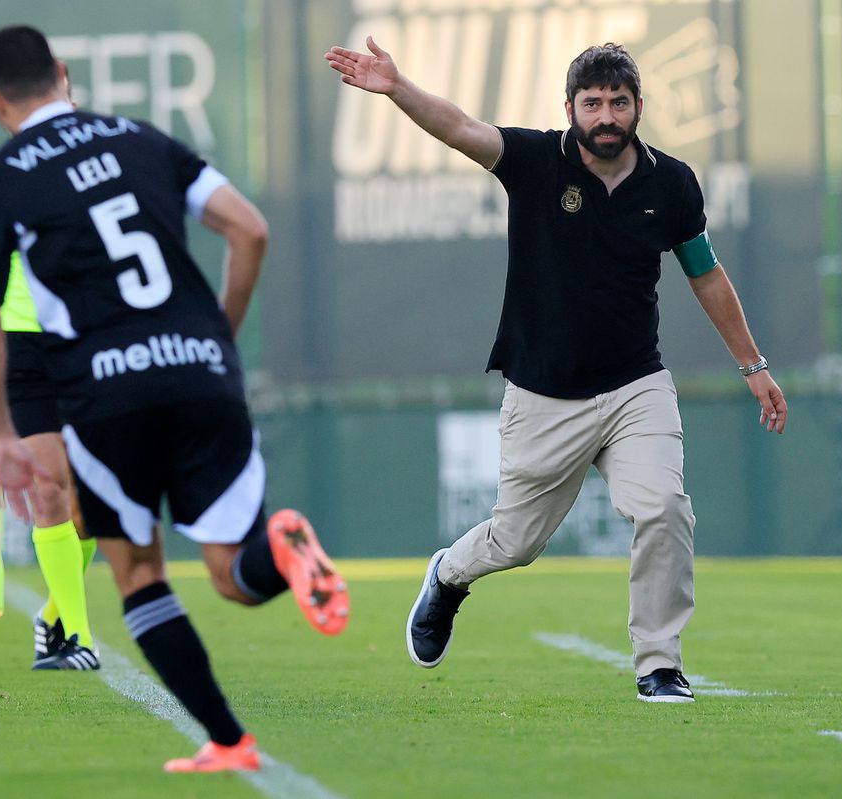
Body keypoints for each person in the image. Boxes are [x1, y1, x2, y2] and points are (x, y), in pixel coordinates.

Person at [326, 39, 787, 702]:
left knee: (662, 507)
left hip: (636, 385)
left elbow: (707, 275)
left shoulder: (673, 183)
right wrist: (397, 88)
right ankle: (448, 577)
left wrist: (754, 366)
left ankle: (659, 663)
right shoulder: (537, 161)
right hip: (544, 392)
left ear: (637, 108)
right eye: (592, 102)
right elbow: (458, 127)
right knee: (515, 542)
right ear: (569, 107)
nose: (606, 114)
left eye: (618, 102)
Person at [0, 25, 349, 771]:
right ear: (63, 74)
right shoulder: (142, 139)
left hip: (106, 392)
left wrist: (1, 432)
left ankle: (230, 740)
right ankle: (285, 553)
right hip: (203, 371)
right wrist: (219, 338)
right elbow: (251, 230)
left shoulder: (0, 177)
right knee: (234, 573)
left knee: (140, 571)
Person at [0, 62, 100, 671]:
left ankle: (55, 612)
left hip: (89, 343)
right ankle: (80, 639)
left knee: (91, 508)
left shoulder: (102, 166)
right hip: (19, 347)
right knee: (47, 490)